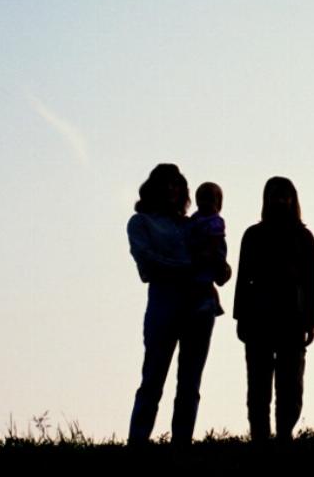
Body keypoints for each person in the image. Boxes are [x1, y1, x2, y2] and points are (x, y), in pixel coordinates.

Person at [126, 164, 225, 445]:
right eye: (165, 184)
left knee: (190, 382)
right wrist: (192, 266)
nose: (171, 189)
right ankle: (137, 441)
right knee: (153, 378)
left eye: (176, 184)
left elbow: (218, 261)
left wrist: (220, 266)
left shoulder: (194, 223)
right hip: (164, 306)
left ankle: (181, 443)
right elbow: (148, 264)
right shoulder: (141, 222)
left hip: (201, 307)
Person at [233, 176, 314, 442]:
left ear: (293, 199)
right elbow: (243, 278)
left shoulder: (304, 237)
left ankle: (284, 435)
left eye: (285, 195)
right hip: (259, 316)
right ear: (267, 199)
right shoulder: (253, 235)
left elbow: (310, 280)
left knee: (291, 384)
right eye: (275, 195)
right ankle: (260, 437)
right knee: (258, 385)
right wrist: (241, 316)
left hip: (292, 317)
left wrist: (312, 320)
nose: (281, 200)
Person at [187, 182, 231, 316]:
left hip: (211, 252)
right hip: (197, 255)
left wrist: (209, 254)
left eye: (211, 200)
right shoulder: (194, 218)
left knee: (207, 282)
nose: (207, 203)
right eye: (203, 199)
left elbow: (215, 240)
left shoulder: (215, 221)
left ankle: (213, 303)